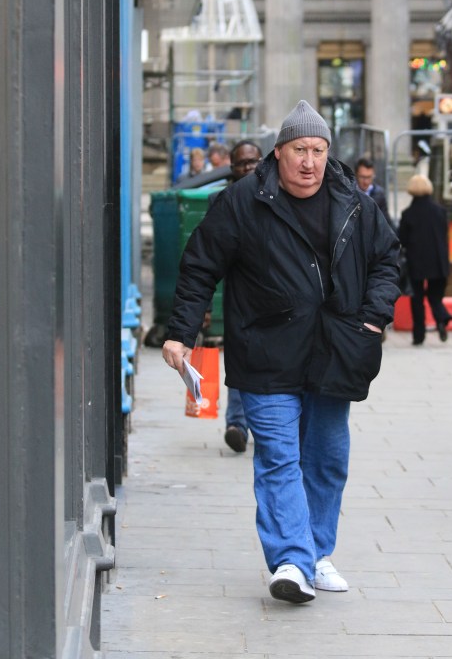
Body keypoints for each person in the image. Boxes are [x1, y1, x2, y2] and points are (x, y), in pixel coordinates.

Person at [163, 99, 400, 603]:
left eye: (318, 150)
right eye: (299, 150)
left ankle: (316, 552)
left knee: (328, 458)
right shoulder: (244, 202)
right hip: (266, 351)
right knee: (278, 455)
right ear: (280, 153)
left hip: (336, 350)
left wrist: (373, 317)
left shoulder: (354, 201)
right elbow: (200, 266)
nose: (309, 161)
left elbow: (388, 259)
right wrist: (180, 333)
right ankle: (291, 559)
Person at [210, 140, 263, 454]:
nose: (248, 168)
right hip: (238, 299)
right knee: (239, 360)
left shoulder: (278, 196)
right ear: (231, 168)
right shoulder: (222, 201)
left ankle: (264, 422)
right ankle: (236, 424)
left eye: (253, 162)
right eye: (242, 163)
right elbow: (205, 261)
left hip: (274, 301)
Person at [397, 174, 452, 345]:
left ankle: (419, 335)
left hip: (417, 262)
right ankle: (441, 318)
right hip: (438, 260)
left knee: (417, 299)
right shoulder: (440, 211)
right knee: (435, 296)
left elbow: (402, 239)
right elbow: (444, 234)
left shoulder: (408, 214)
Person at [355, 156, 395, 229]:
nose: (366, 181)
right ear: (356, 175)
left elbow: (385, 220)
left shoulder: (379, 194)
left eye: (369, 177)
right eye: (363, 177)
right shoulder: (350, 193)